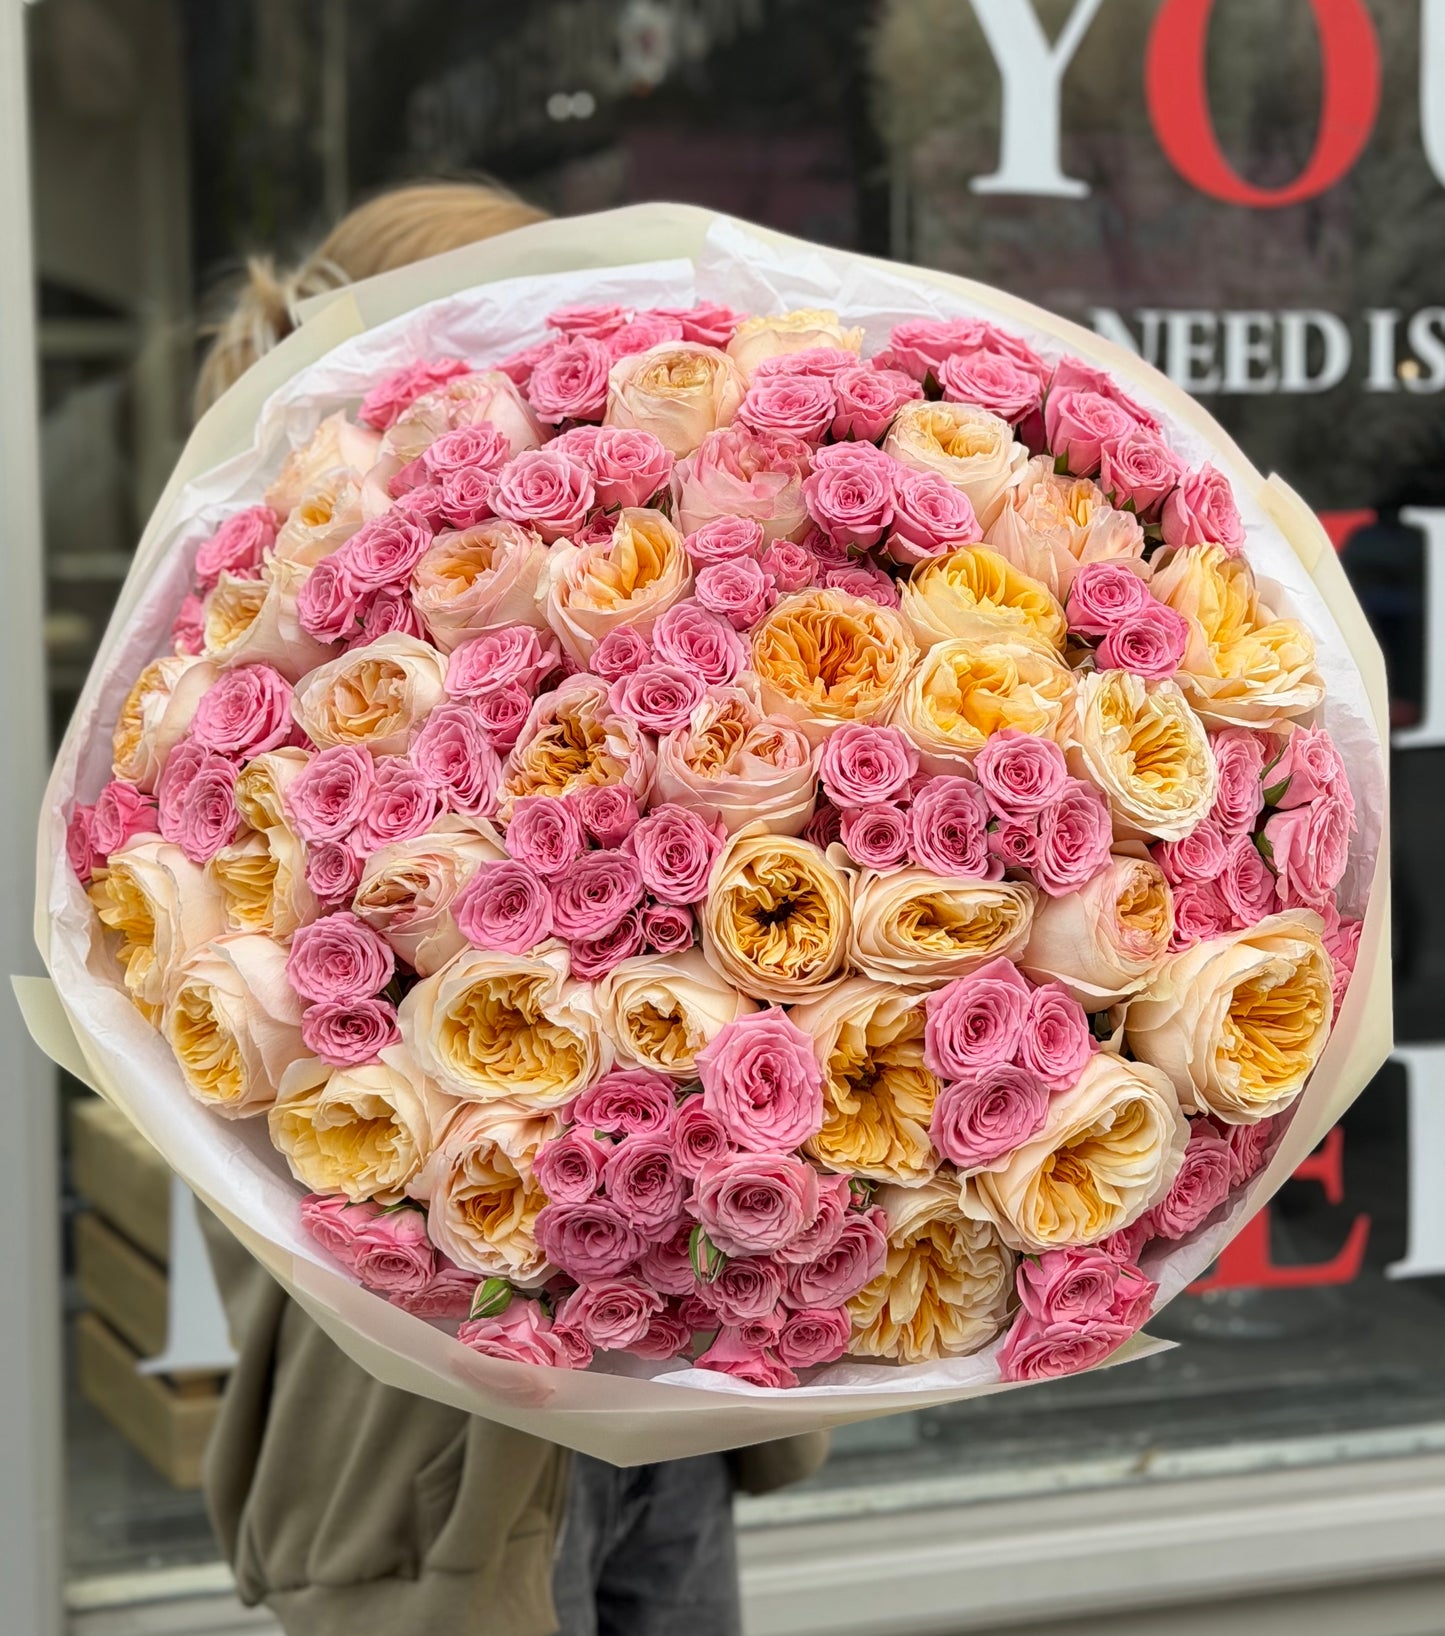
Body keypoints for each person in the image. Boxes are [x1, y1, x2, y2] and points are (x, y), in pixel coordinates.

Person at [192, 178, 829, 1636]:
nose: (570, 386)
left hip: (654, 1393)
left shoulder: (608, 603)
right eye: (528, 345)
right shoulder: (277, 676)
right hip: (424, 1439)